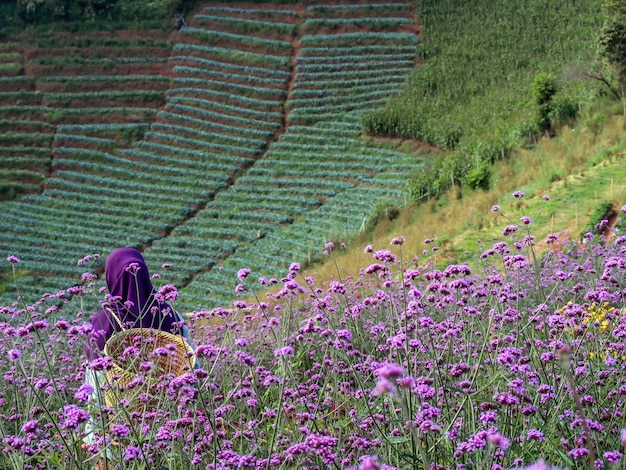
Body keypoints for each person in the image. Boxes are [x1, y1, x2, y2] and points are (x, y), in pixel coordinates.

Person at [82, 247, 196, 467]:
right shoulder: (170, 314)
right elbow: (191, 366)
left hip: (116, 428)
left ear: (112, 277)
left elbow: (94, 388)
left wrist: (95, 437)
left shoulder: (102, 322)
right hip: (166, 424)